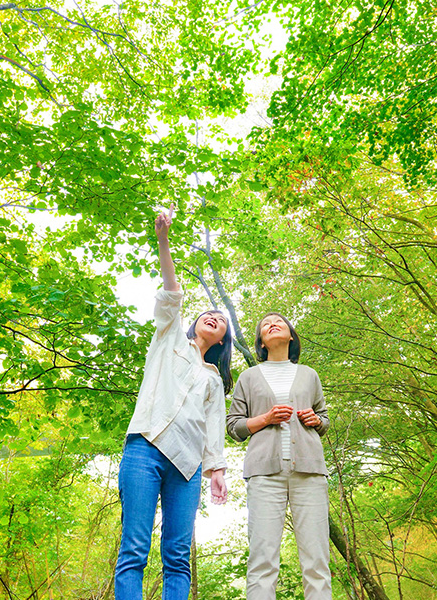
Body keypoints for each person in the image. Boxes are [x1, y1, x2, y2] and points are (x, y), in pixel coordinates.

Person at [114, 208, 232, 600]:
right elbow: (172, 292)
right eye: (209, 313)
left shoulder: (214, 379)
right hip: (144, 448)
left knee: (178, 556)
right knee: (134, 548)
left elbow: (214, 428)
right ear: (194, 322)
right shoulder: (168, 337)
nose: (214, 317)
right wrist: (163, 241)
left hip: (188, 465)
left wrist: (217, 469)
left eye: (222, 319)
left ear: (223, 341)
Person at [227, 312, 331, 600]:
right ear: (261, 340)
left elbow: (324, 419)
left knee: (317, 560)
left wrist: (316, 420)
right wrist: (265, 418)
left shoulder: (309, 375)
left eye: (279, 322)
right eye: (265, 324)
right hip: (264, 473)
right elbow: (233, 426)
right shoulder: (248, 377)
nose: (272, 324)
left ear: (291, 335)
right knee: (262, 560)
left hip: (309, 471)